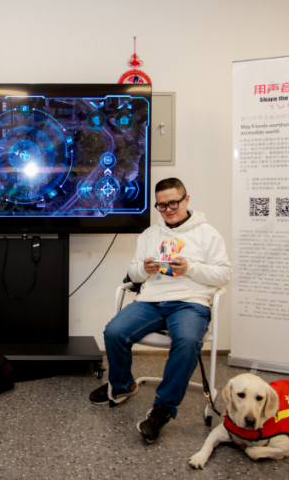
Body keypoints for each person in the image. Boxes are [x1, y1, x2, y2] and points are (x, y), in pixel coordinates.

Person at [89, 178, 231, 444]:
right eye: (161, 205)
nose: (168, 210)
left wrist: (190, 268)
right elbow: (133, 273)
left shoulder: (208, 234)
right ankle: (123, 385)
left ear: (186, 199)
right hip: (152, 300)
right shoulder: (149, 234)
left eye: (173, 203)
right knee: (114, 332)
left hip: (191, 301)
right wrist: (144, 270)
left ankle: (163, 409)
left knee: (187, 341)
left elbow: (224, 275)